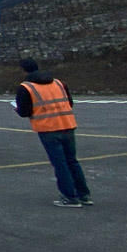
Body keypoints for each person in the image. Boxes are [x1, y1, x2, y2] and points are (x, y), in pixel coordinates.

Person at [15, 58, 92, 207]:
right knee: (72, 161)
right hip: (67, 125)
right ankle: (84, 195)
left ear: (23, 70)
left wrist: (18, 110)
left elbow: (24, 111)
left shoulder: (26, 87)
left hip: (48, 128)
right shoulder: (58, 82)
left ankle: (69, 197)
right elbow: (69, 103)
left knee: (60, 164)